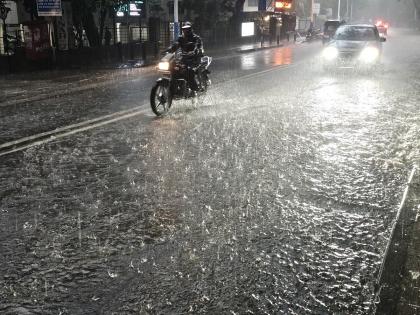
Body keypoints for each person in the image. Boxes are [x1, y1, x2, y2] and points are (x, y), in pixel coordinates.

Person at [166, 22, 203, 92]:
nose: (185, 31)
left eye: (187, 29)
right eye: (184, 29)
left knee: (190, 71)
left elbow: (199, 46)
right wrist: (170, 49)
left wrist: (196, 51)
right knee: (174, 69)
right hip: (184, 58)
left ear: (190, 29)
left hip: (195, 59)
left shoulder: (196, 38)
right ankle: (176, 89)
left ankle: (195, 89)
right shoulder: (181, 38)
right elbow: (176, 44)